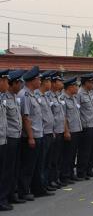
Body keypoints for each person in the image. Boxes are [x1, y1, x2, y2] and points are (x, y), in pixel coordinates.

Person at [18, 66, 52, 200]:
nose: (40, 81)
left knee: (38, 165)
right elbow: (26, 118)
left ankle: (38, 189)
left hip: (39, 134)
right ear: (33, 80)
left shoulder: (33, 94)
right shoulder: (25, 95)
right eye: (39, 79)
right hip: (31, 136)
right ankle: (24, 191)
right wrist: (31, 137)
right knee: (28, 166)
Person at [3, 70, 25, 206]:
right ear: (14, 84)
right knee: (7, 170)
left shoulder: (14, 98)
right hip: (9, 138)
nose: (21, 86)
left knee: (15, 168)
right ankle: (4, 197)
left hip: (17, 137)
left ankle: (12, 194)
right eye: (19, 83)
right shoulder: (4, 98)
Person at [35, 71, 55, 192]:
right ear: (44, 82)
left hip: (49, 132)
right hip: (42, 133)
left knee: (48, 160)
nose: (50, 84)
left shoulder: (46, 96)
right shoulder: (37, 96)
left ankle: (46, 183)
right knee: (41, 162)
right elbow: (38, 117)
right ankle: (40, 186)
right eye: (48, 82)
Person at [47, 72, 66, 187]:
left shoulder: (58, 95)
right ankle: (50, 180)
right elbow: (49, 115)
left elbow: (62, 115)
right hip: (53, 132)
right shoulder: (48, 96)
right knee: (51, 158)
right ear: (53, 83)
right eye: (59, 81)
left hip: (60, 130)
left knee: (58, 157)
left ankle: (56, 177)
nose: (61, 83)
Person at [77, 73, 93, 178]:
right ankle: (81, 171)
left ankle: (89, 169)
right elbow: (77, 110)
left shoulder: (90, 92)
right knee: (84, 150)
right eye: (91, 82)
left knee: (91, 150)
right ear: (86, 83)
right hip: (85, 126)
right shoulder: (79, 94)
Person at [0, 70, 11, 211]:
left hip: (3, 140)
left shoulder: (2, 97)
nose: (7, 84)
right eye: (6, 81)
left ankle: (2, 199)